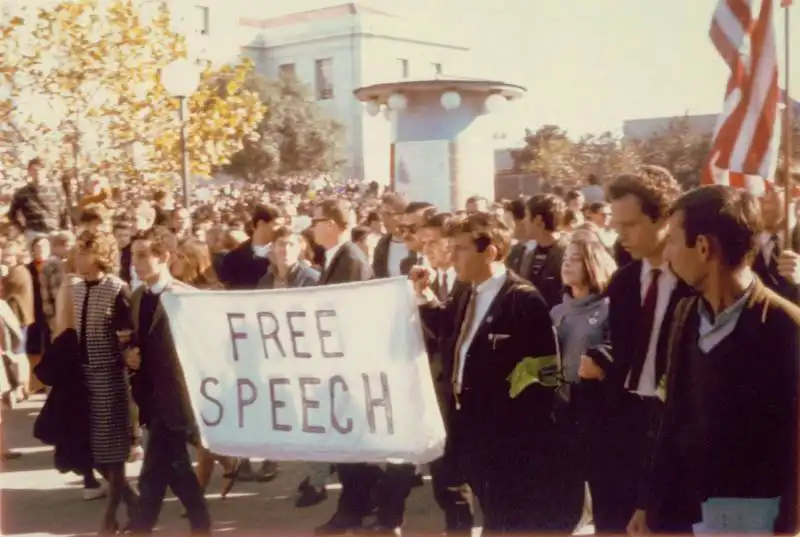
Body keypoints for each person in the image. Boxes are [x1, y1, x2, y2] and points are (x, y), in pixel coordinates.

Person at [629, 185, 799, 535]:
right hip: (686, 510)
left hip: (756, 517)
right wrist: (649, 503)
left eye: (673, 240)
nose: (668, 253)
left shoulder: (785, 327)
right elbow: (671, 413)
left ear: (704, 247)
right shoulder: (684, 314)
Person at [412, 212, 581, 533]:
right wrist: (425, 296)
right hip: (468, 433)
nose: (452, 256)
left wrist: (518, 442)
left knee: (507, 520)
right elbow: (449, 330)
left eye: (460, 248)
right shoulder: (465, 289)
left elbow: (544, 382)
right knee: (488, 512)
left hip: (508, 444)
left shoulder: (522, 301)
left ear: (489, 252)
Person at [581, 165, 691, 534]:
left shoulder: (695, 284)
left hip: (673, 430)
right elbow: (623, 346)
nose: (620, 234)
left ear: (664, 219)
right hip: (621, 425)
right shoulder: (624, 281)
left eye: (630, 225)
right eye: (616, 224)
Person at [125, 229, 211, 535]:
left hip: (176, 399)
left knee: (156, 471)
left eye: (143, 255)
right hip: (150, 398)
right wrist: (129, 355)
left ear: (164, 257)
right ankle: (199, 525)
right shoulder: (137, 297)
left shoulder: (184, 297)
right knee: (174, 468)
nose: (135, 262)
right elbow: (136, 342)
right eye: (133, 255)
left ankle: (141, 526)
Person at [311, 198, 377, 535]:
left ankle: (354, 508)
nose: (312, 227)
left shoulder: (350, 257)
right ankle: (358, 506)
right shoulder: (336, 256)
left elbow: (344, 307)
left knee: (352, 439)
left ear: (334, 224)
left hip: (349, 360)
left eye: (317, 220)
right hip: (339, 359)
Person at [72, 230, 138, 533]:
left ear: (98, 255)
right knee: (90, 452)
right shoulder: (75, 289)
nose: (76, 258)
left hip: (110, 377)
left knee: (113, 453)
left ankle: (110, 518)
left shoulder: (117, 288)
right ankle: (136, 502)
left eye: (82, 252)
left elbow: (128, 336)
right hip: (83, 377)